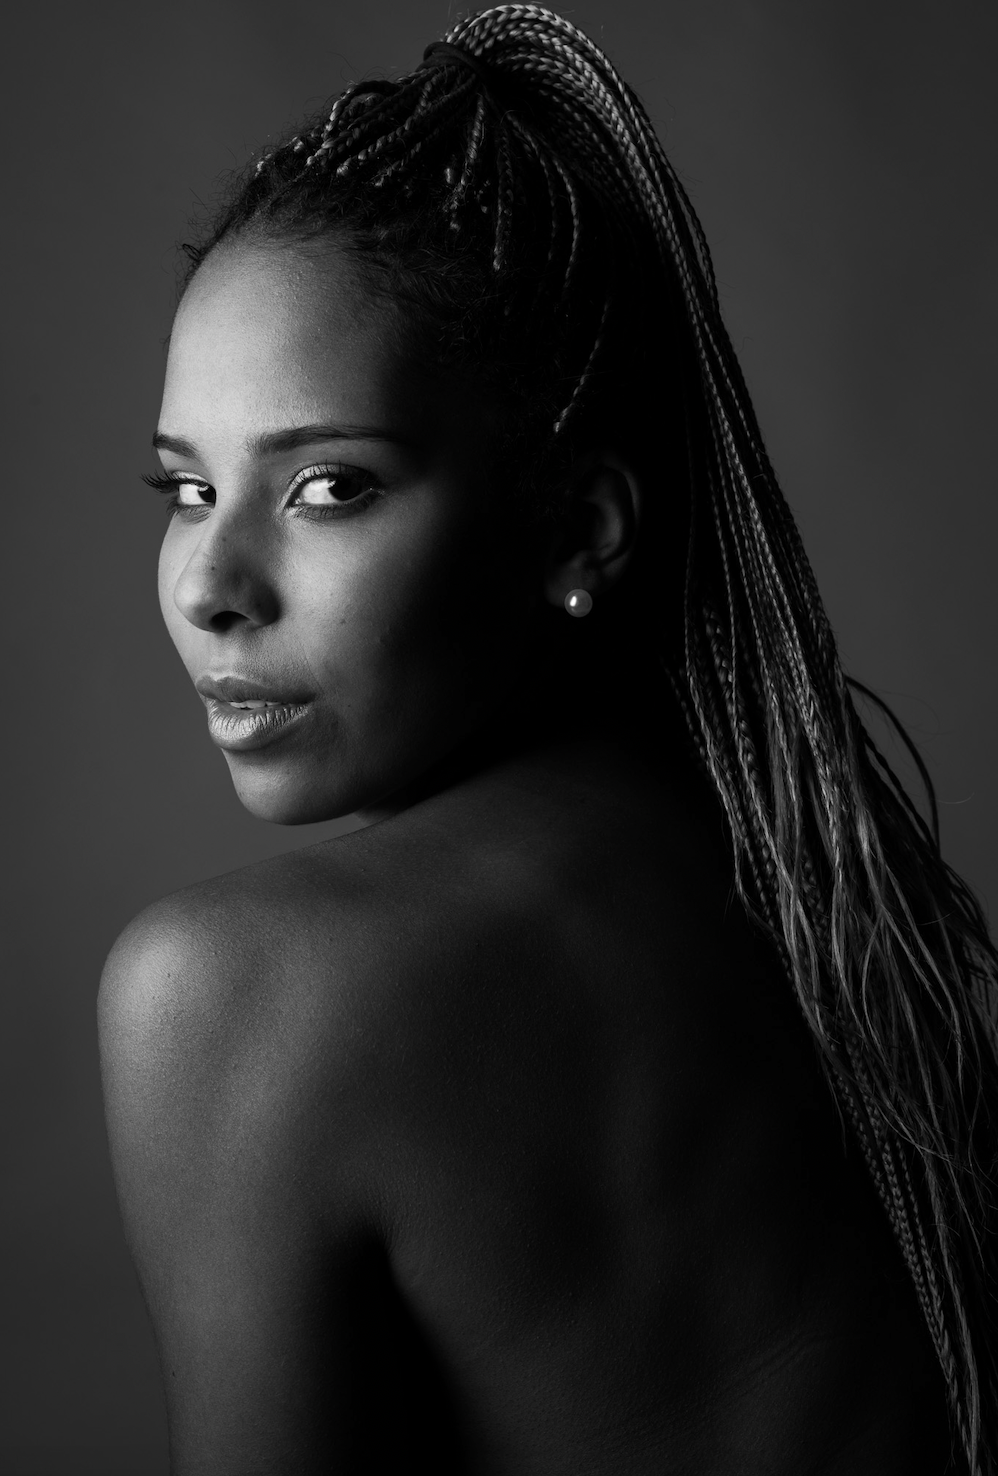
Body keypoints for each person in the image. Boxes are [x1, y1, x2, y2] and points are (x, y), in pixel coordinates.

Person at [98, 6, 998, 1472]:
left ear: (579, 526)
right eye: (187, 490)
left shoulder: (245, 994)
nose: (211, 586)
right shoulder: (826, 898)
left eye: (329, 488)